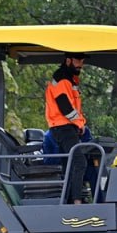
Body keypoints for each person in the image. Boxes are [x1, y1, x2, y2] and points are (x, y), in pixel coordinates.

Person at [45, 52, 94, 203]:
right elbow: (66, 107)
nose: (81, 64)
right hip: (64, 127)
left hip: (65, 127)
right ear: (68, 61)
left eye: (82, 61)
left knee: (69, 164)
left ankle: (68, 200)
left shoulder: (69, 79)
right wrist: (80, 124)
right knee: (79, 162)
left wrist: (79, 123)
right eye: (78, 60)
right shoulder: (62, 79)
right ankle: (77, 202)